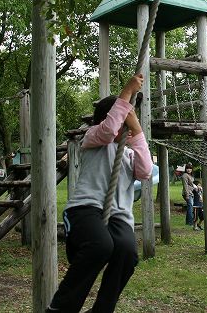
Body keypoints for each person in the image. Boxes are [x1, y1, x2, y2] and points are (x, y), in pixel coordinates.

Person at [47, 74, 153, 313]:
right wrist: (126, 92)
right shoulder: (93, 138)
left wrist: (136, 127)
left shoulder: (127, 155)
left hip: (117, 217)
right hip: (84, 210)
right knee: (100, 246)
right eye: (121, 121)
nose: (122, 128)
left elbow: (145, 171)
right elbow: (108, 130)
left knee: (127, 253)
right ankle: (61, 308)